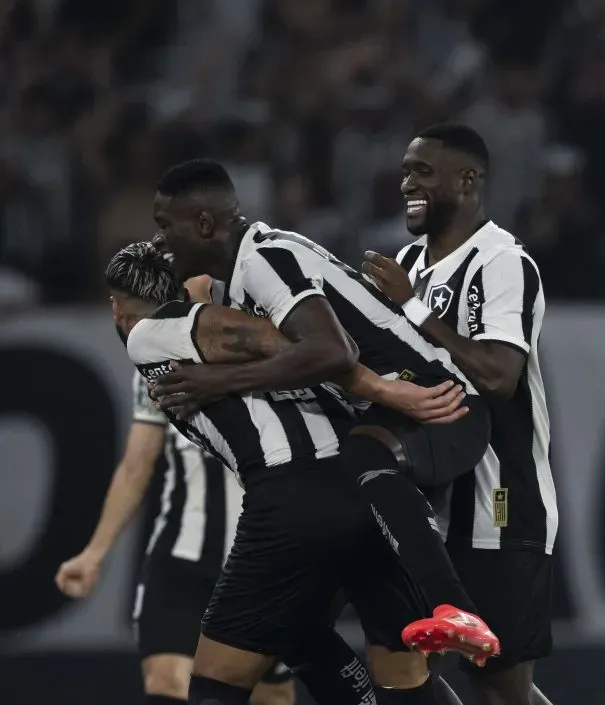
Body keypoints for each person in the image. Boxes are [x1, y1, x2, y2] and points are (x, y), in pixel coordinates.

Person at [111, 239, 504, 705]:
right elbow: (281, 340)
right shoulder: (249, 322)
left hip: (285, 505)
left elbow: (256, 336)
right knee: (383, 679)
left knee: (217, 688)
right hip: (360, 494)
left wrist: (382, 388)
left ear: (117, 305)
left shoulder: (152, 333)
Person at [335, 123, 605, 705]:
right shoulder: (407, 267)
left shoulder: (498, 259)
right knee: (399, 671)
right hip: (421, 507)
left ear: (468, 182)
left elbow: (499, 375)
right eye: (402, 169)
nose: (406, 183)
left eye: (423, 172)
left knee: (506, 699)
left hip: (498, 501)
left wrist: (415, 319)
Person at [150, 158, 501, 669]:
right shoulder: (235, 284)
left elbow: (332, 353)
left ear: (204, 224)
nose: (159, 240)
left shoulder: (265, 259)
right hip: (392, 430)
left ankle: (459, 610)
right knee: (369, 640)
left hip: (440, 404)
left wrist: (217, 381)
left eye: (165, 225)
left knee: (361, 456)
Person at [55, 348, 312, 705]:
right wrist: (95, 552)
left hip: (259, 558)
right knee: (166, 684)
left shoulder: (268, 340)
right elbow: (137, 462)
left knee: (273, 704)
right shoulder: (155, 358)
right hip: (180, 557)